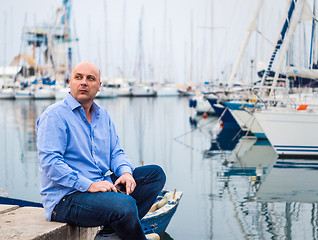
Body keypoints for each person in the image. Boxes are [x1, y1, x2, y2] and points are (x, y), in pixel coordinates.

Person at [36, 61, 166, 240]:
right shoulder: (54, 116)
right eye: (78, 77)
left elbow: (116, 153)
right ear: (70, 82)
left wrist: (126, 173)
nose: (84, 82)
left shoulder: (102, 115)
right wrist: (89, 185)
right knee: (125, 205)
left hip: (101, 186)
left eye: (90, 78)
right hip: (67, 198)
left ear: (98, 86)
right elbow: (51, 164)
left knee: (155, 175)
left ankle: (111, 231)